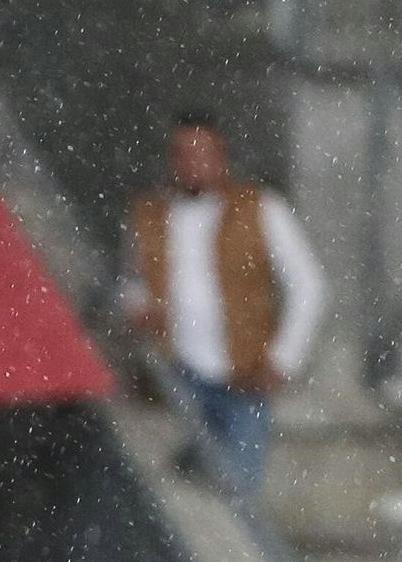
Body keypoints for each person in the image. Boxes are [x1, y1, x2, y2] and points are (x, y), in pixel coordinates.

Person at [121, 114, 321, 499]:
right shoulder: (149, 215)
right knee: (177, 495)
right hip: (175, 378)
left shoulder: (260, 208)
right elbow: (130, 283)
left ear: (221, 158)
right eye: (184, 155)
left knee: (237, 494)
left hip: (241, 377)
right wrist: (138, 309)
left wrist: (283, 359)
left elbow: (308, 285)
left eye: (203, 154)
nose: (193, 165)